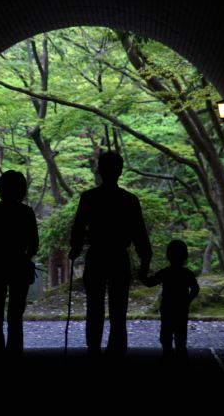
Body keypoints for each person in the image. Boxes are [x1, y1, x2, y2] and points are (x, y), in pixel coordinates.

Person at [69, 151, 152, 359]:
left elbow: (78, 227)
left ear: (99, 170)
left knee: (94, 307)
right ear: (120, 171)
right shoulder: (129, 200)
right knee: (119, 309)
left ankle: (93, 350)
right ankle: (117, 351)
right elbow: (139, 232)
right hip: (118, 256)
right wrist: (145, 259)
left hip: (96, 255)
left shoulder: (89, 198)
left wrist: (76, 248)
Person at [0, 170, 38, 359]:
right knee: (15, 315)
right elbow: (34, 243)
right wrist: (25, 258)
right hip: (19, 266)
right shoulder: (26, 212)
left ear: (1, 188)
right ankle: (14, 355)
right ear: (22, 189)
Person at [140, 239, 200, 359]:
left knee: (165, 337)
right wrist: (187, 301)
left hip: (167, 308)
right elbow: (195, 289)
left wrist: (143, 267)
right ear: (185, 256)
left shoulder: (165, 273)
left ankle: (168, 360)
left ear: (168, 255)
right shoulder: (187, 273)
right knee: (181, 339)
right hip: (181, 309)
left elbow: (149, 282)